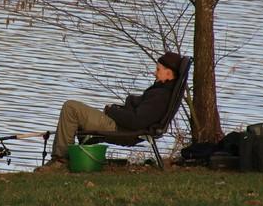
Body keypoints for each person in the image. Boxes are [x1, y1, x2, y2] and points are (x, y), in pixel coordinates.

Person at [37, 51, 183, 172]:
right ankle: (70, 158)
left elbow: (136, 121)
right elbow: (139, 115)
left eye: (158, 70)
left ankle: (61, 160)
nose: (154, 73)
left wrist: (111, 111)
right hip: (120, 125)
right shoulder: (162, 91)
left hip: (119, 128)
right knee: (74, 111)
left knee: (71, 108)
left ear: (169, 74)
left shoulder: (160, 96)